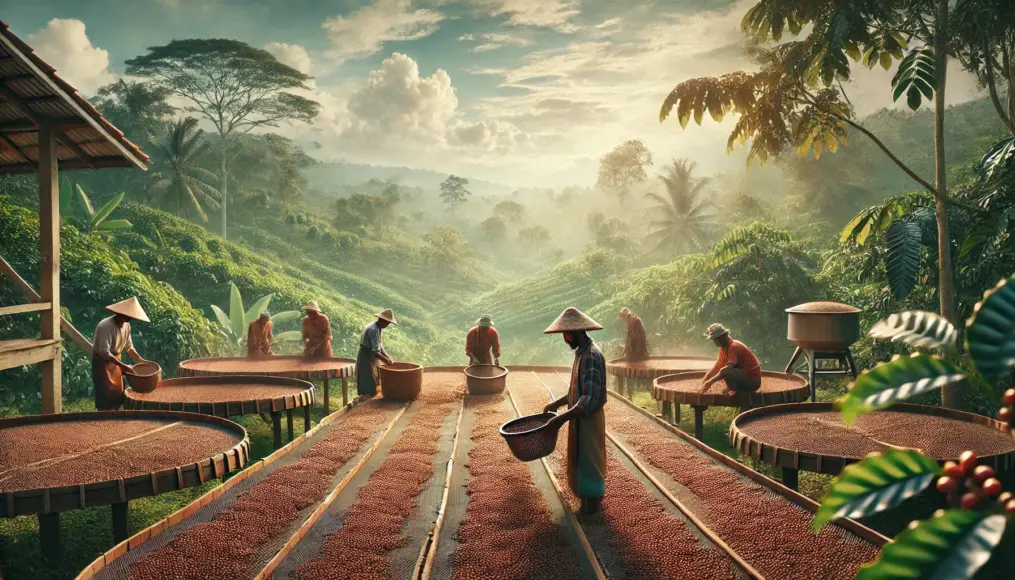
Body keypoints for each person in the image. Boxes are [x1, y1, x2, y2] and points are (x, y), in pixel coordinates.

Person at [542, 307, 607, 514]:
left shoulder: (591, 356)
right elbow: (576, 391)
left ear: (578, 332)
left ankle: (593, 507)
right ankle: (586, 502)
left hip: (588, 418)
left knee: (589, 460)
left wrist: (561, 419)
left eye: (567, 334)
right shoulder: (582, 353)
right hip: (579, 417)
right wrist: (557, 404)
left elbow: (588, 399)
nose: (565, 339)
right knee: (581, 459)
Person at [92, 297, 150, 410]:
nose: (128, 319)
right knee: (105, 398)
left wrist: (142, 361)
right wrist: (123, 366)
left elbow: (129, 347)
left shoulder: (127, 326)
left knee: (118, 395)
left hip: (116, 362)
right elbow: (104, 352)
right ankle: (104, 421)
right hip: (103, 363)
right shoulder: (105, 326)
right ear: (119, 313)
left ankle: (115, 418)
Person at [700, 323, 762, 394]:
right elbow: (717, 367)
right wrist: (705, 380)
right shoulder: (723, 349)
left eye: (716, 339)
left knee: (725, 371)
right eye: (713, 339)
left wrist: (710, 382)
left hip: (752, 381)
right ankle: (733, 389)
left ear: (724, 336)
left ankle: (736, 391)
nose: (714, 341)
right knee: (723, 370)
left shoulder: (734, 346)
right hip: (743, 377)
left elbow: (727, 370)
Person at [357, 309, 396, 397]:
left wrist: (387, 357)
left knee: (374, 377)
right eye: (388, 323)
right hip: (366, 355)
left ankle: (370, 395)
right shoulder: (373, 330)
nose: (388, 325)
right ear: (384, 321)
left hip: (371, 355)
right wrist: (386, 361)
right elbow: (375, 351)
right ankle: (366, 399)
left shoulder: (378, 327)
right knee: (368, 378)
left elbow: (379, 345)